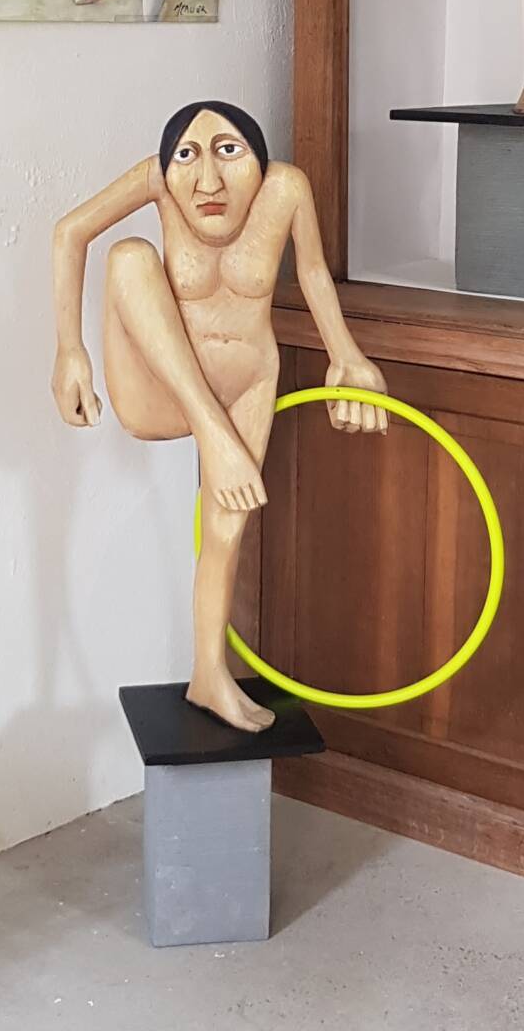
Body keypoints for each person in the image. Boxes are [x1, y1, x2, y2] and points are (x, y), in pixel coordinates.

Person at [51, 102, 388, 732]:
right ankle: (211, 430)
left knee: (226, 534)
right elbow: (70, 232)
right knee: (129, 255)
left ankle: (209, 675)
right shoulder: (157, 181)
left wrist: (346, 356)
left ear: (258, 159)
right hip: (159, 391)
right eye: (188, 156)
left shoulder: (286, 189)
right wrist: (70, 350)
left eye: (228, 152)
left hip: (247, 384)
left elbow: (313, 271)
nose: (208, 181)